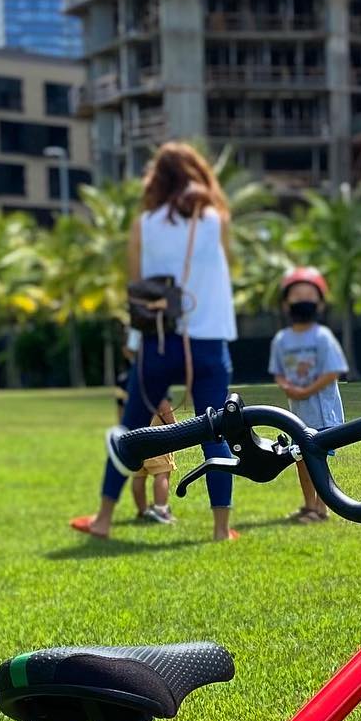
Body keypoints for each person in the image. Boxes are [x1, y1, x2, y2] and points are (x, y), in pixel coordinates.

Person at [72, 142, 239, 542]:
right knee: (215, 432)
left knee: (128, 430)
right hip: (209, 340)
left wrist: (134, 339)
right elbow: (229, 262)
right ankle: (220, 529)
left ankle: (104, 520)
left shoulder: (143, 224)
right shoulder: (216, 219)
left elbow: (138, 290)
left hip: (159, 341)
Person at [268, 267, 348, 524]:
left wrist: (307, 390)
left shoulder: (322, 337)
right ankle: (309, 505)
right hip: (298, 415)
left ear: (319, 304)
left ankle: (321, 509)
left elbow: (331, 371)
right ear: (286, 304)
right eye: (296, 295)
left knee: (318, 460)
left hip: (323, 412)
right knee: (300, 459)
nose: (302, 301)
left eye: (308, 295)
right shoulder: (282, 340)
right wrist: (287, 387)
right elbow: (278, 371)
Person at [113, 355, 174, 524]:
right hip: (155, 437)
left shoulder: (124, 379)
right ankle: (161, 510)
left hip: (133, 437)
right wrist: (174, 426)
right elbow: (163, 406)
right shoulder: (156, 375)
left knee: (138, 476)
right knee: (161, 473)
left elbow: (120, 409)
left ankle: (142, 511)